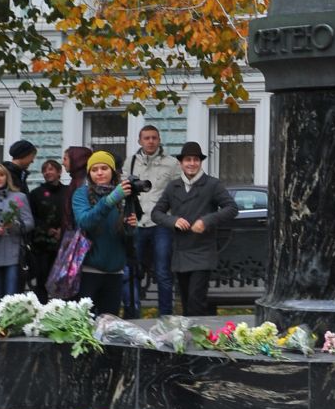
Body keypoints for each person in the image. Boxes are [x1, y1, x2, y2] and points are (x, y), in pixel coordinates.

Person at [150, 141, 239, 317]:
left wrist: (207, 221)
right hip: (181, 252)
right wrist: (173, 220)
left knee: (196, 301)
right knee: (185, 301)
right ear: (181, 163)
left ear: (200, 162)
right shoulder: (173, 186)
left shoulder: (212, 185)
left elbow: (232, 208)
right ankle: (191, 336)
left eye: (196, 160)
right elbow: (156, 213)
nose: (192, 163)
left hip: (203, 252)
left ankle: (199, 338)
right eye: (188, 160)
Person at [123, 125, 180, 319]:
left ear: (159, 140)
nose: (150, 141)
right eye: (146, 138)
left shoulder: (171, 164)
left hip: (161, 224)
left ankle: (166, 317)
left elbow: (178, 192)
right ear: (139, 141)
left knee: (163, 272)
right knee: (132, 272)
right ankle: (133, 315)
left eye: (154, 138)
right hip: (136, 223)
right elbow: (123, 191)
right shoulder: (130, 162)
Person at [71, 151, 132, 317]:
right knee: (84, 323)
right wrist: (110, 200)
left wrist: (133, 227)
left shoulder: (124, 195)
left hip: (115, 272)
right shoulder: (81, 194)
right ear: (89, 174)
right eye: (94, 169)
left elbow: (131, 240)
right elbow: (85, 221)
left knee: (109, 325)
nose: (99, 173)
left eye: (104, 168)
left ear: (112, 171)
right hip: (89, 271)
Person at [0, 161, 35, 306]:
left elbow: (29, 223)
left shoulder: (19, 197)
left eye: (1, 175)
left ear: (7, 177)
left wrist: (14, 226)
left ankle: (11, 326)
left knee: (11, 296)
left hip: (14, 253)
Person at [28, 158, 68, 298]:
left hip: (63, 243)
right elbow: (32, 216)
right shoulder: (36, 194)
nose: (47, 172)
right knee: (42, 279)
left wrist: (62, 230)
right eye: (44, 170)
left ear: (59, 172)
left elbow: (70, 214)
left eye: (51, 169)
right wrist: (47, 229)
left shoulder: (68, 192)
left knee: (62, 280)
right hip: (42, 244)